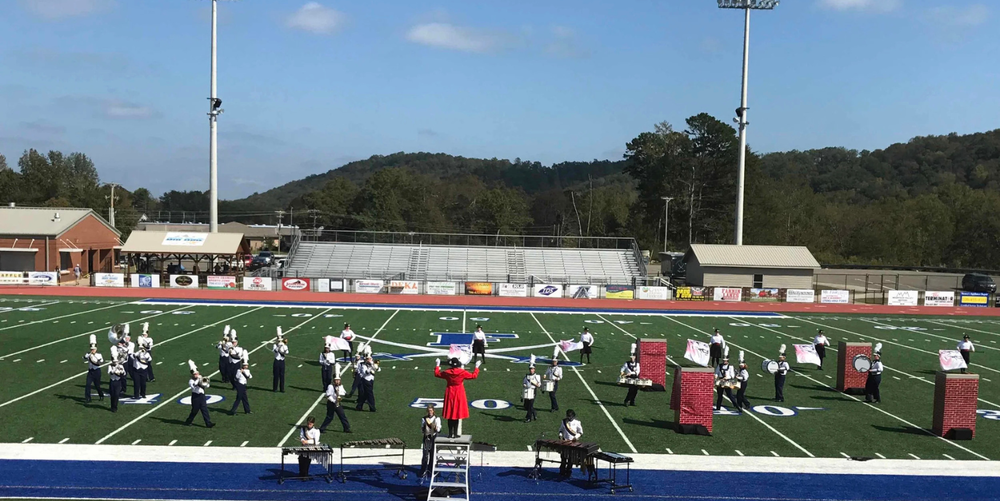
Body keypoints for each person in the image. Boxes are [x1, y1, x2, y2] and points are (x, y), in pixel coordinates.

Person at [434, 357, 481, 438]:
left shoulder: (447, 372)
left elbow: (437, 374)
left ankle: (450, 433)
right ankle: (455, 433)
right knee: (456, 413)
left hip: (450, 391)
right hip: (459, 392)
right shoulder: (462, 372)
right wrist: (476, 367)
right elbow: (473, 376)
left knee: (450, 413)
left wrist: (437, 365)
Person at [557, 409, 583, 477]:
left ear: (573, 416)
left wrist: (576, 437)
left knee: (571, 458)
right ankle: (562, 469)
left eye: (570, 416)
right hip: (565, 441)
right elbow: (560, 430)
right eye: (568, 416)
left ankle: (569, 470)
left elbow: (580, 432)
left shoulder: (577, 422)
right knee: (563, 457)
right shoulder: (564, 422)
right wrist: (560, 435)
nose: (569, 418)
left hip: (573, 442)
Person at [419, 405, 442, 478]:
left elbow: (439, 430)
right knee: (425, 455)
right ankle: (423, 470)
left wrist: (433, 427)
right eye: (429, 411)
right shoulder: (424, 418)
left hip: (433, 437)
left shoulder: (437, 418)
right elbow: (422, 429)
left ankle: (431, 470)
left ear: (433, 411)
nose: (430, 412)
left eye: (431, 410)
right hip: (426, 437)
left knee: (432, 455)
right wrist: (424, 429)